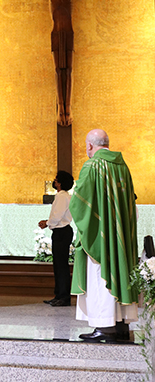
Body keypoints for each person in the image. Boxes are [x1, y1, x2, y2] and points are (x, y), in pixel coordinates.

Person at [0, 0, 139, 126]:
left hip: (69, 34)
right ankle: (61, 109)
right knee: (58, 71)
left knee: (68, 71)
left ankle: (69, 108)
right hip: (55, 35)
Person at [70, 129, 138, 342]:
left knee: (100, 275)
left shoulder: (92, 166)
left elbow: (79, 202)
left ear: (89, 146)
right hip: (119, 235)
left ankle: (104, 326)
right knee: (119, 270)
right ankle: (120, 325)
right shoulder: (122, 166)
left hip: (100, 236)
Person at [39, 170, 74, 307]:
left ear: (59, 183)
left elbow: (57, 215)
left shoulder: (61, 196)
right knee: (59, 265)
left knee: (61, 266)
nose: (54, 181)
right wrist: (48, 222)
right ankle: (59, 294)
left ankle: (64, 297)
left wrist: (47, 223)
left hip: (61, 231)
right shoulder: (65, 196)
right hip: (62, 231)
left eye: (56, 179)